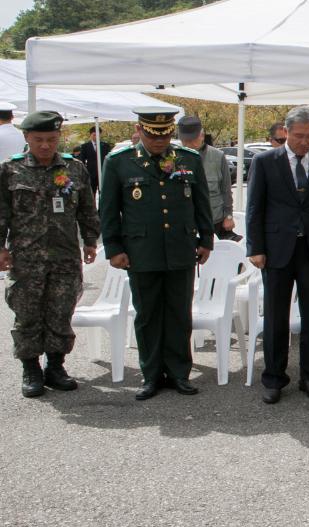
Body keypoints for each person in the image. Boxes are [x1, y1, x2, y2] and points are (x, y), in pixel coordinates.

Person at [100, 107, 213, 400]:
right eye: (152, 134)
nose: (159, 140)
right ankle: (151, 375)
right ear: (140, 129)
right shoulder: (119, 162)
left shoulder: (188, 159)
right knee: (148, 314)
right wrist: (113, 248)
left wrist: (206, 240)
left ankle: (178, 373)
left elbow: (201, 204)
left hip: (180, 248)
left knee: (178, 313)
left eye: (164, 134)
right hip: (141, 251)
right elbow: (110, 211)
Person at [0, 111, 99, 397]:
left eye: (51, 139)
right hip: (26, 257)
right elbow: (1, 213)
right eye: (39, 139)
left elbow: (87, 209)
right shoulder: (10, 170)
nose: (45, 145)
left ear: (59, 138)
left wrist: (90, 241)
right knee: (27, 312)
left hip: (65, 256)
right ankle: (31, 368)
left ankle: (56, 366)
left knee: (61, 311)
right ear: (27, 138)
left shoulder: (75, 168)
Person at [246, 106, 309, 404]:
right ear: (286, 133)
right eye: (299, 136)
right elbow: (255, 209)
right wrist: (256, 248)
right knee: (276, 315)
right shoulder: (265, 162)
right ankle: (274, 377)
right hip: (277, 250)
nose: (305, 142)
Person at [177, 116, 237, 242]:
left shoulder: (218, 156)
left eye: (193, 140)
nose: (189, 144)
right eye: (185, 141)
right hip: (186, 223)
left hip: (214, 220)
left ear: (202, 136)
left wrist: (229, 216)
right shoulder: (174, 157)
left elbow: (226, 189)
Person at [75, 124, 107, 192]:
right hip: (91, 173)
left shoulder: (105, 145)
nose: (96, 137)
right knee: (92, 192)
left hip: (103, 172)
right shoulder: (85, 146)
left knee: (104, 192)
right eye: (94, 135)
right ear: (90, 135)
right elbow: (82, 160)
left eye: (98, 135)